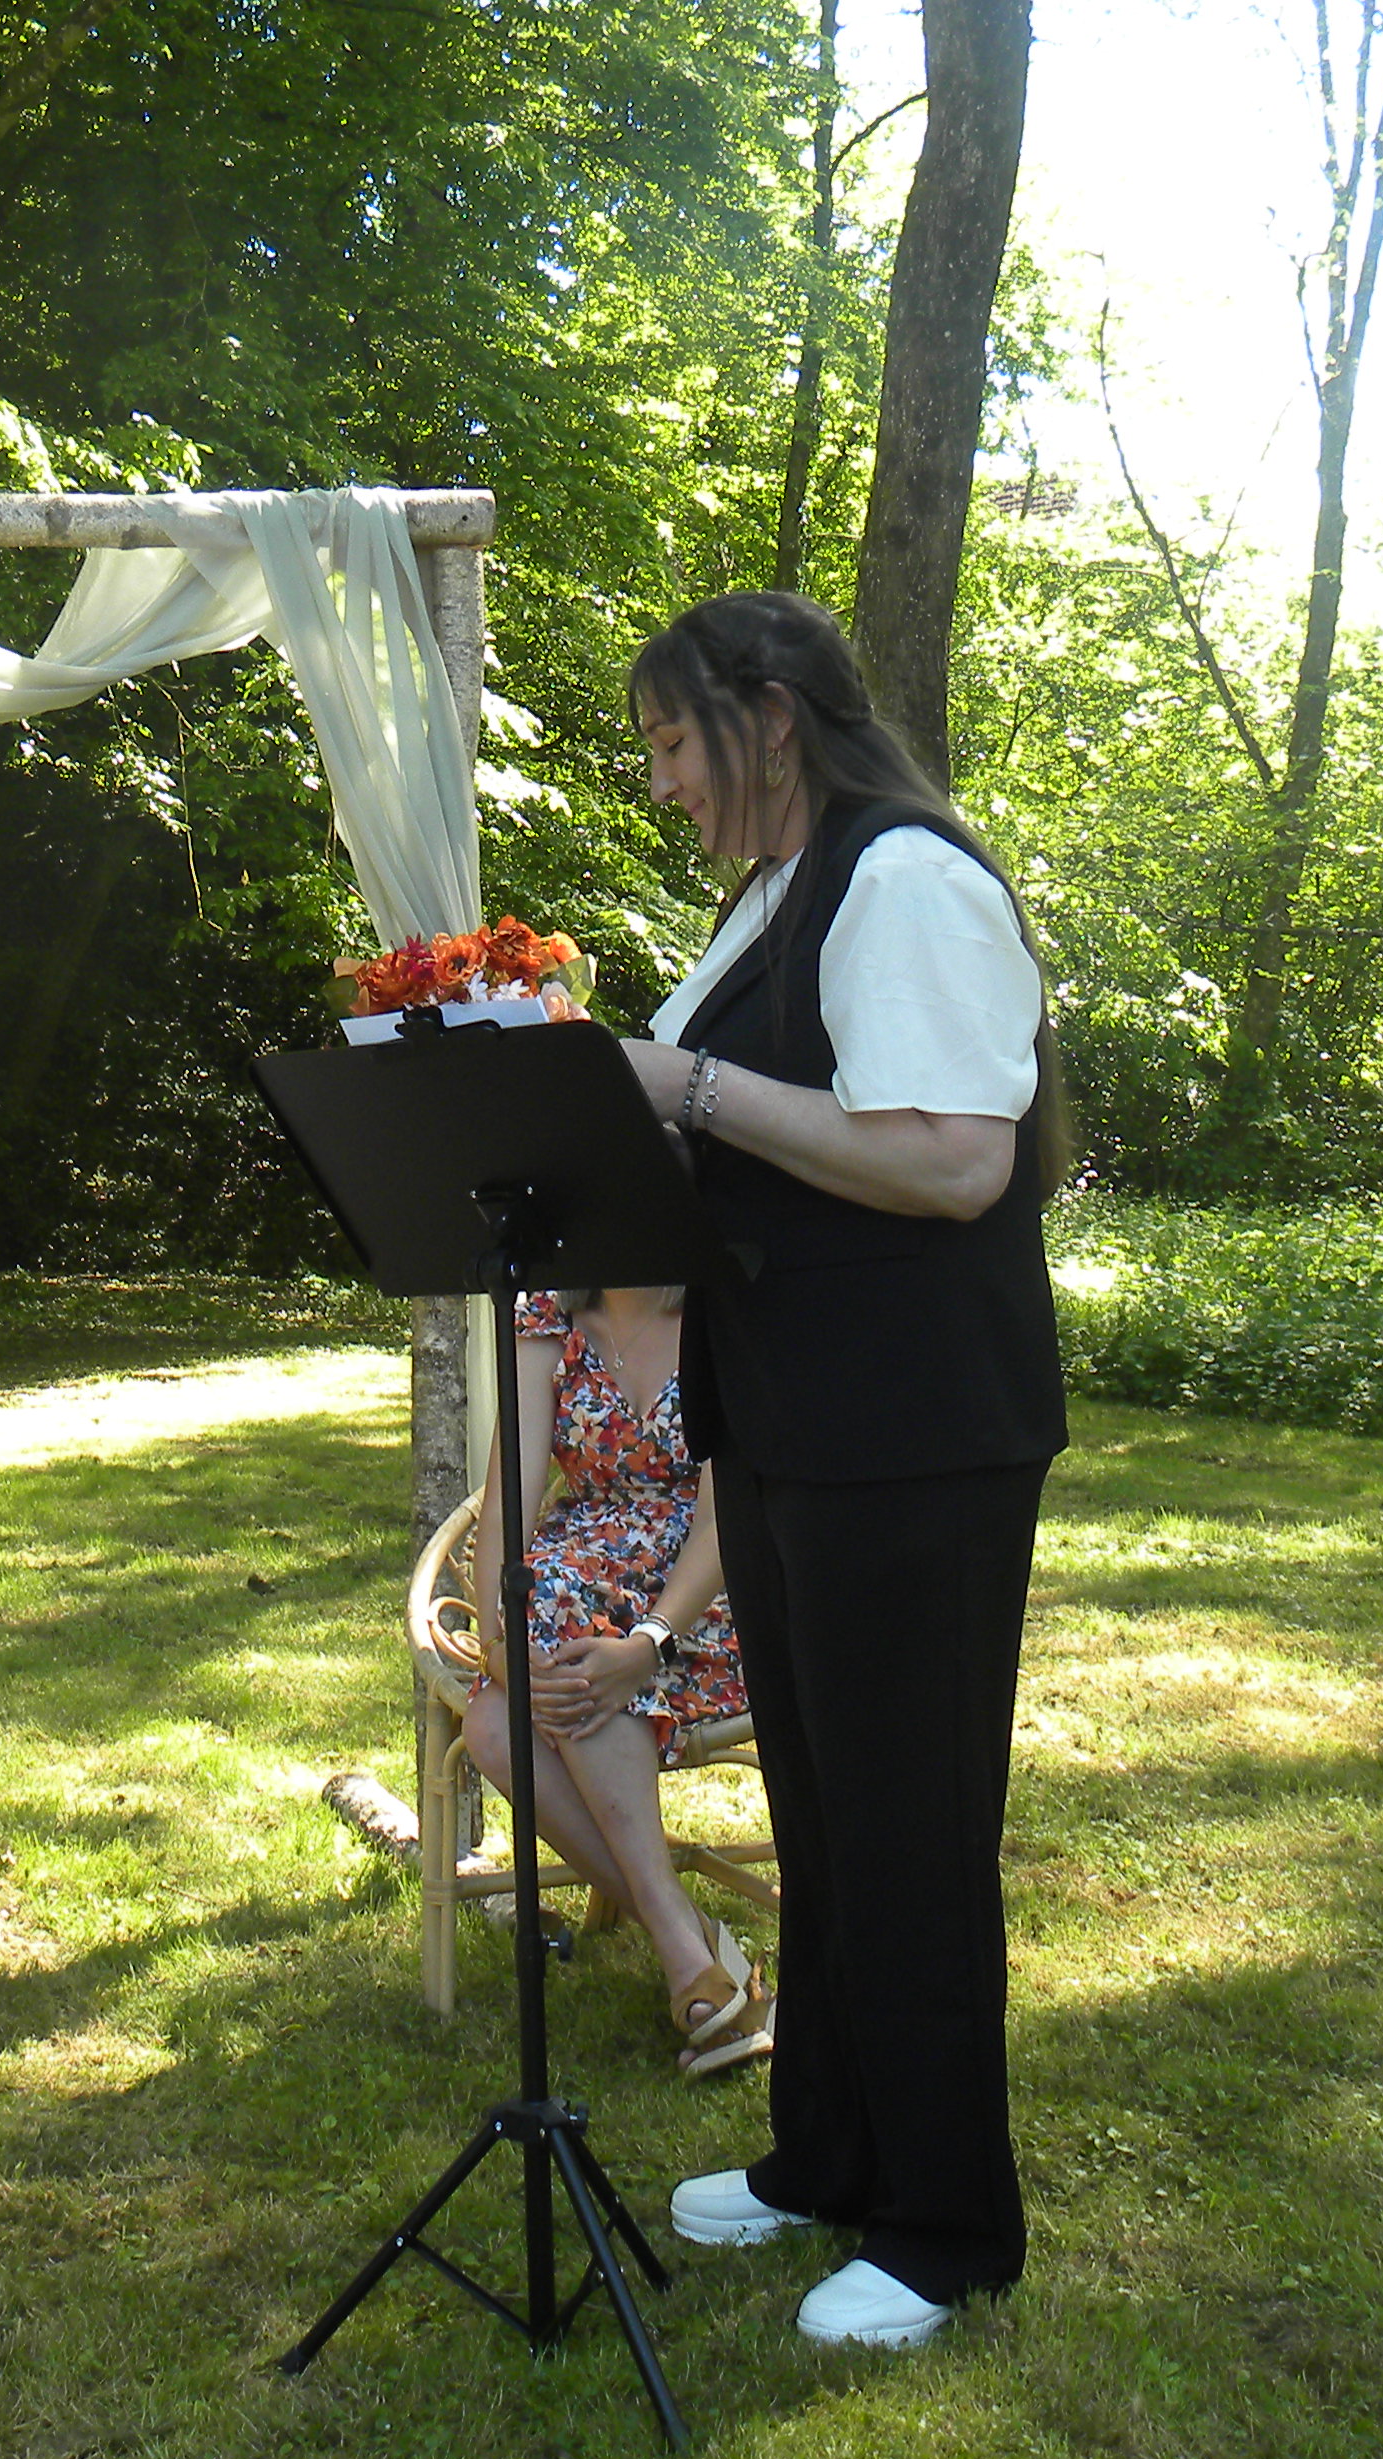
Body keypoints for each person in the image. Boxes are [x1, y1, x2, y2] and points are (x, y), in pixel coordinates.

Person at [608, 590, 1072, 2352]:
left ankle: (946, 2228)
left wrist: (689, 1091)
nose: (664, 781)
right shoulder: (777, 896)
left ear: (775, 717)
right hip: (801, 1418)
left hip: (915, 1433)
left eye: (673, 740)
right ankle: (828, 2157)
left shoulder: (908, 881)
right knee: (822, 1811)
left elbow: (954, 1162)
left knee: (909, 1827)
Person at [457, 1282, 767, 2071]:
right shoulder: (548, 1314)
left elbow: (727, 1515)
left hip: (704, 1593)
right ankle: (687, 1943)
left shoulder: (725, 1312)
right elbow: (509, 1502)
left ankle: (689, 1954)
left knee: (533, 1664)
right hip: (578, 1588)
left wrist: (647, 1644)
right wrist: (496, 1649)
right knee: (493, 1725)